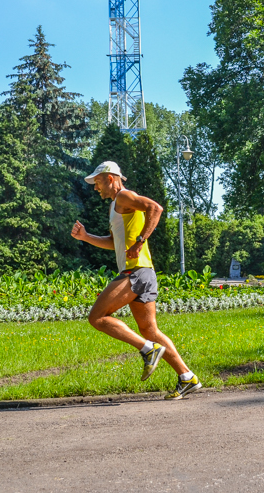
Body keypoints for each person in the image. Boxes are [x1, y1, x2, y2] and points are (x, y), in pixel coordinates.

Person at [71, 161, 202, 399]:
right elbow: (114, 243)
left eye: (97, 182)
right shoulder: (115, 206)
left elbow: (155, 208)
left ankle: (148, 350)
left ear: (110, 178)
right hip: (144, 272)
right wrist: (86, 237)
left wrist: (141, 241)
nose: (95, 188)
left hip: (136, 271)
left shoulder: (124, 196)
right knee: (150, 329)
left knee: (97, 317)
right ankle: (187, 377)